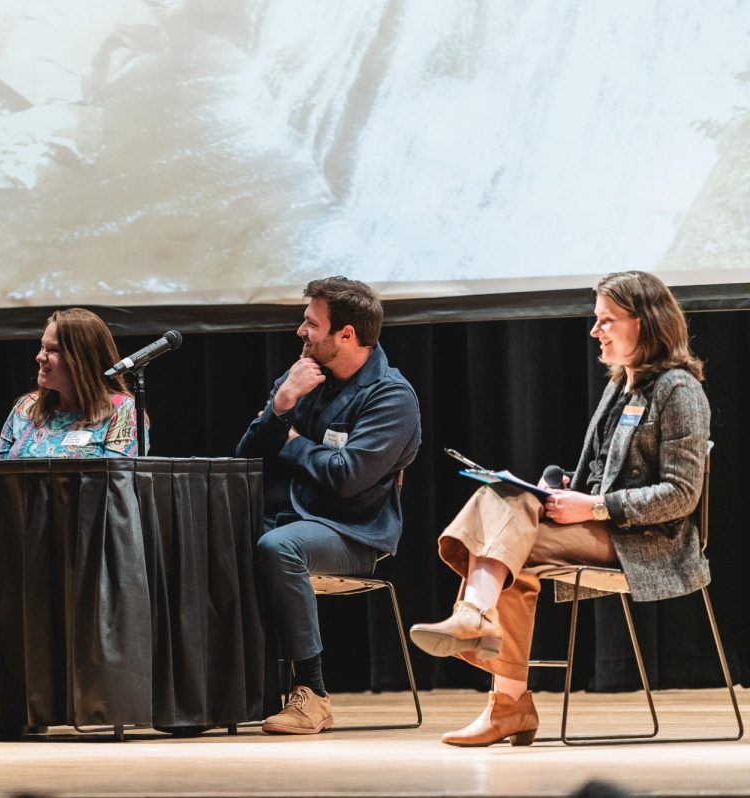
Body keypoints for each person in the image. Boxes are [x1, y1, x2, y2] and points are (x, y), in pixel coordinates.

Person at [408, 271, 709, 747]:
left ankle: (496, 676)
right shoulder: (619, 386)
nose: (595, 331)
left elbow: (681, 494)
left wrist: (595, 506)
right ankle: (500, 684)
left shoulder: (679, 391)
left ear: (645, 322)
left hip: (648, 541)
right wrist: (563, 485)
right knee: (505, 504)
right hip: (604, 526)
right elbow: (602, 473)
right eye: (596, 320)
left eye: (606, 320)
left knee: (509, 543)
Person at [235, 277, 421, 734]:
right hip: (286, 517)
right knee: (206, 533)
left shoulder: (391, 397)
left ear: (347, 335)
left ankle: (312, 694)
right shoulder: (303, 374)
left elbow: (345, 479)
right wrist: (280, 406)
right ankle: (224, 686)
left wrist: (292, 439)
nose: (301, 331)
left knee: (281, 548)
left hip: (351, 532)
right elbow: (246, 458)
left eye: (311, 323)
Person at [0, 308, 138, 459]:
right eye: (42, 347)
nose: (39, 357)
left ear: (82, 359)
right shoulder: (27, 407)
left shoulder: (122, 410)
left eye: (53, 350)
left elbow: (119, 480)